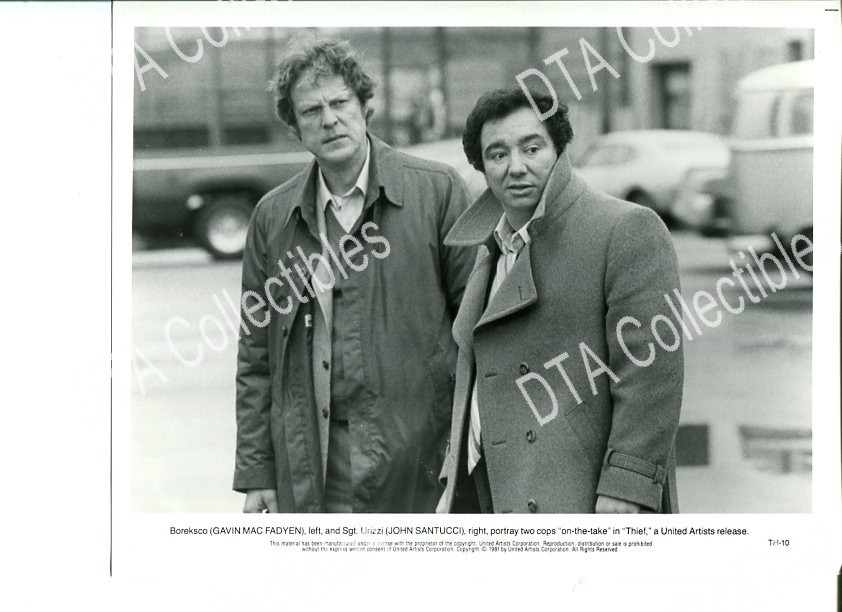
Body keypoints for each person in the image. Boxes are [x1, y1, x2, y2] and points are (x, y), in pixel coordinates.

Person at [233, 38, 474, 513]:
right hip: (317, 477)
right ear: (294, 128)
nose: (329, 119)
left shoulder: (438, 192)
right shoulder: (272, 218)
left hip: (421, 471)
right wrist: (257, 472)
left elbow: (480, 334)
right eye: (311, 110)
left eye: (340, 103)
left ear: (365, 107)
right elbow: (256, 358)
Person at [437, 87, 684, 514]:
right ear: (481, 167)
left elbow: (651, 370)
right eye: (498, 154)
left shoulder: (624, 228)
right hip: (493, 491)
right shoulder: (492, 244)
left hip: (583, 499)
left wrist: (626, 486)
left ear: (559, 149)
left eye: (532, 148)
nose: (516, 167)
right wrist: (454, 477)